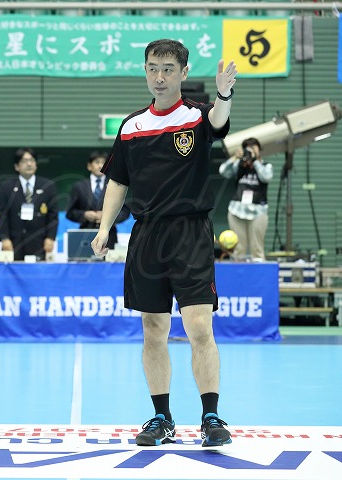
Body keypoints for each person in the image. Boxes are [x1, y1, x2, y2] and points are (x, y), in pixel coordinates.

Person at [91, 39, 237, 448]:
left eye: (168, 69)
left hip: (190, 233)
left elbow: (219, 120)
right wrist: (104, 228)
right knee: (153, 329)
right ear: (145, 70)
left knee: (199, 327)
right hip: (147, 235)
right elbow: (118, 181)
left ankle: (210, 416)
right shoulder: (131, 126)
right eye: (153, 68)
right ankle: (162, 418)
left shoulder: (197, 116)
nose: (159, 76)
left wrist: (224, 94)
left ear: (184, 73)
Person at [0, 148, 58, 261]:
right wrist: (4, 238)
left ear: (36, 164)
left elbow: (53, 216)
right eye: (24, 161)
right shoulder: (6, 187)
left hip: (39, 242)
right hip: (14, 242)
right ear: (17, 166)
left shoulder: (48, 186)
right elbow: (2, 215)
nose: (29, 164)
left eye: (32, 160)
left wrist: (50, 237)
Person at [218, 137, 272, 261]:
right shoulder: (239, 165)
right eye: (247, 149)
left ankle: (258, 271)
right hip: (237, 210)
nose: (250, 151)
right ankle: (238, 271)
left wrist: (255, 161)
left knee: (257, 249)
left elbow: (266, 177)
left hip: (258, 211)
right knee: (238, 249)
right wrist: (234, 158)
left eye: (253, 148)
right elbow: (223, 171)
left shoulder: (265, 165)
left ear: (259, 150)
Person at [65, 150, 130, 249]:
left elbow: (125, 212)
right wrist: (84, 215)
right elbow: (70, 213)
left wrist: (107, 216)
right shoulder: (79, 186)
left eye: (103, 162)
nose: (100, 166)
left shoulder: (115, 185)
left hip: (109, 235)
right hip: (85, 235)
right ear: (89, 166)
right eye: (97, 162)